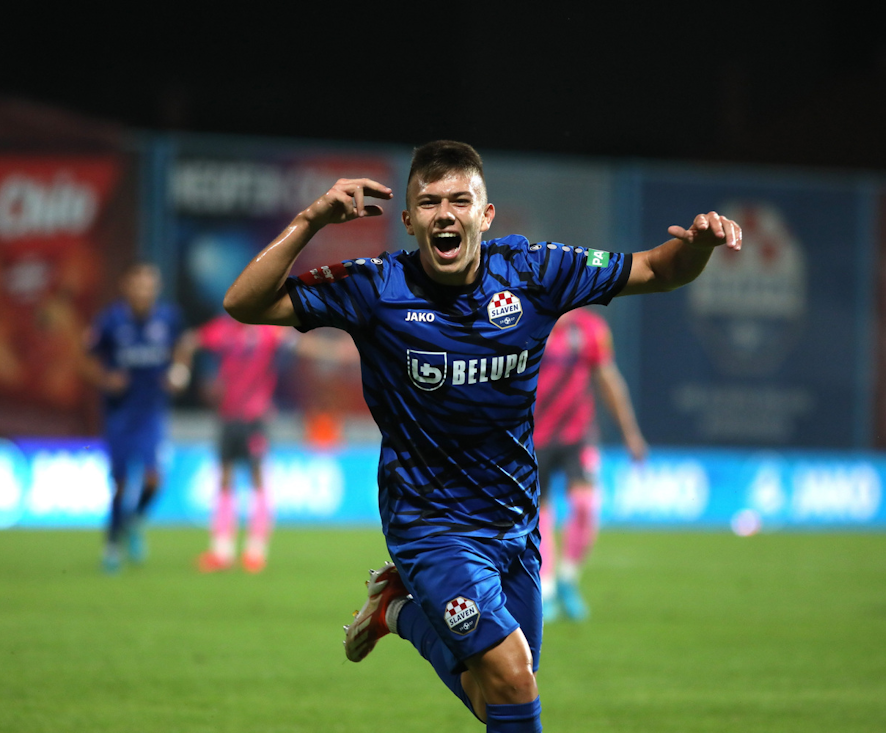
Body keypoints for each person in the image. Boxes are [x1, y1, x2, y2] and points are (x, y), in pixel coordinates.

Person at [222, 141, 741, 731]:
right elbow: (244, 303)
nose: (445, 214)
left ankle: (396, 611)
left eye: (460, 200)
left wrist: (698, 246)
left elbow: (659, 269)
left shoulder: (532, 272)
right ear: (409, 219)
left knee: (500, 698)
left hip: (514, 518)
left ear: (485, 215)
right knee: (514, 677)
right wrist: (312, 219)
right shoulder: (376, 286)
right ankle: (401, 605)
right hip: (429, 522)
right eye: (429, 203)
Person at [192, 317, 355, 573]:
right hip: (228, 417)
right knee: (224, 479)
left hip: (255, 418)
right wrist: (188, 373)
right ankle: (222, 550)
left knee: (257, 479)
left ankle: (255, 551)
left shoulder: (267, 333)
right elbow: (192, 342)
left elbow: (301, 345)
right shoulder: (222, 331)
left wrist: (333, 351)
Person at [534, 309, 647, 622]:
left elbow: (608, 379)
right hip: (532, 437)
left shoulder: (590, 329)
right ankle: (546, 589)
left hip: (577, 436)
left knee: (585, 505)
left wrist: (630, 433)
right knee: (539, 513)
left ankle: (568, 577)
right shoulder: (527, 320)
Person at [84, 262, 193, 573]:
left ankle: (135, 520)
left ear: (157, 288)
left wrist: (179, 372)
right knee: (120, 483)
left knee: (154, 479)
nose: (144, 292)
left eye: (150, 286)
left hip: (152, 411)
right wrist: (105, 379)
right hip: (120, 413)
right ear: (127, 287)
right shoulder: (110, 320)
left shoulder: (169, 318)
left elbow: (183, 346)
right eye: (139, 285)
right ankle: (112, 545)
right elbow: (85, 357)